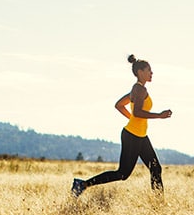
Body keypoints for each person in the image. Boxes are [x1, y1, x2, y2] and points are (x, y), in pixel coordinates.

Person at [72, 55, 172, 197]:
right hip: (132, 136)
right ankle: (82, 184)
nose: (152, 73)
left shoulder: (137, 90)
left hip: (141, 135)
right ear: (140, 72)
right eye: (149, 70)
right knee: (123, 173)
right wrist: (159, 115)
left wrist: (132, 118)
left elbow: (119, 105)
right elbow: (137, 112)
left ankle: (158, 203)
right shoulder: (139, 90)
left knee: (155, 168)